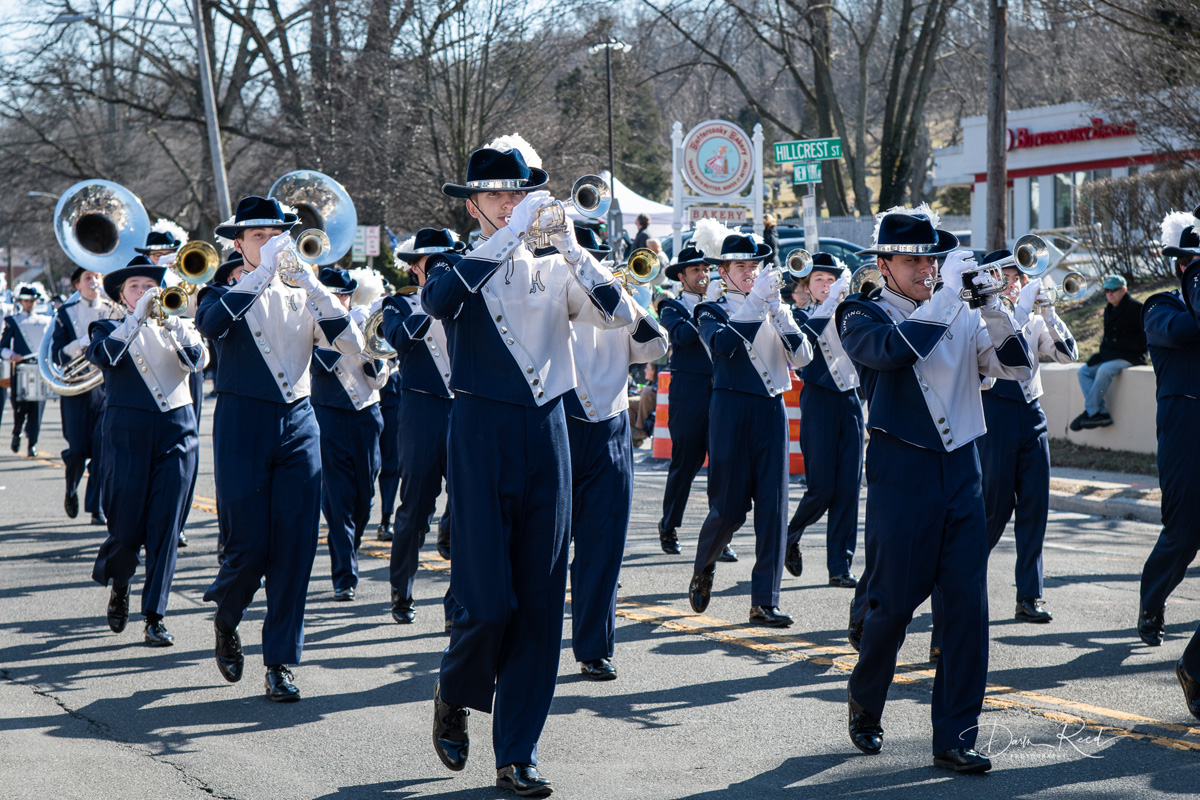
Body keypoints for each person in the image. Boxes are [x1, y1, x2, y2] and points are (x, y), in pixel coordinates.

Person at [422, 137, 631, 797]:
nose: (512, 204)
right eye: (497, 195)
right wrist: (508, 234)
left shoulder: (553, 266)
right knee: (488, 603)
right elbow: (437, 303)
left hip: (548, 434)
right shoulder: (459, 263)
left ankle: (517, 751)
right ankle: (455, 690)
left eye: (518, 194)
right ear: (474, 205)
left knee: (540, 604)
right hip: (480, 432)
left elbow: (619, 315)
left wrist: (572, 248)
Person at [836, 206, 1032, 774]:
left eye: (932, 258)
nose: (925, 268)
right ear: (884, 264)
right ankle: (866, 699)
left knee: (967, 608)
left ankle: (955, 734)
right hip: (903, 474)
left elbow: (1016, 368)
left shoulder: (960, 308)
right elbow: (896, 352)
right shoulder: (859, 313)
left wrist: (993, 307)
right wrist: (949, 297)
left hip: (963, 469)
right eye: (913, 259)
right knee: (892, 607)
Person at [196, 196, 364, 703]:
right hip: (242, 420)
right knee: (248, 545)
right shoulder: (219, 289)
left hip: (299, 420)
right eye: (258, 237)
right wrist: (262, 273)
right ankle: (227, 616)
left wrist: (314, 285)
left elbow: (352, 345)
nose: (270, 245)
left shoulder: (300, 289)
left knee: (294, 546)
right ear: (238, 243)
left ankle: (280, 662)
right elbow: (210, 327)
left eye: (277, 236)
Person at [687, 222, 812, 628]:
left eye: (754, 265)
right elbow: (722, 348)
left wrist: (780, 314)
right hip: (730, 409)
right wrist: (757, 304)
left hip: (771, 410)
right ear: (722, 273)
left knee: (774, 508)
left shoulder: (772, 305)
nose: (749, 272)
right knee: (729, 508)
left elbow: (805, 359)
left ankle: (764, 600)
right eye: (740, 267)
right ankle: (704, 565)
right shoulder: (710, 310)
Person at [566, 226, 667, 680]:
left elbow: (656, 346)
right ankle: (533, 641)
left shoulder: (620, 302)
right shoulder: (551, 295)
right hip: (558, 425)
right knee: (542, 549)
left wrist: (631, 298)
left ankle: (593, 647)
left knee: (603, 547)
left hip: (609, 429)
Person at [87, 256, 202, 647]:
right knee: (125, 527)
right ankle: (120, 583)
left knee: (165, 527)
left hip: (177, 430)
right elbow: (107, 357)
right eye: (135, 287)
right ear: (122, 295)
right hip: (128, 433)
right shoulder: (106, 326)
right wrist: (136, 319)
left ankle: (155, 614)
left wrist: (173, 324)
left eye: (149, 286)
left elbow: (199, 361)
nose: (144, 293)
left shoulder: (179, 325)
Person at [977, 251, 1077, 623]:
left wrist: (1049, 312)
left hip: (1032, 415)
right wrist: (1020, 311)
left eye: (1019, 276)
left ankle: (1029, 596)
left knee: (1035, 508)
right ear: (990, 279)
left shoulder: (1032, 318)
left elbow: (1069, 355)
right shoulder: (980, 317)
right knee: (992, 511)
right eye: (1007, 276)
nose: (1016, 282)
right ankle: (962, 586)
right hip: (995, 414)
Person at [380, 228, 461, 626]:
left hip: (464, 408)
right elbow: (397, 337)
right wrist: (434, 301)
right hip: (421, 410)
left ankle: (457, 599)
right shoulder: (398, 304)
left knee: (469, 506)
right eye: (433, 262)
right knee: (414, 507)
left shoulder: (467, 296)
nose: (443, 267)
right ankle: (402, 588)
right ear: (415, 267)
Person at [1137, 212, 1200, 650]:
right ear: (1184, 266)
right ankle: (1152, 601)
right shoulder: (1160, 306)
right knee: (1182, 532)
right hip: (1184, 431)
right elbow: (1185, 331)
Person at [785, 253, 863, 587]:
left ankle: (839, 567)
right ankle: (788, 536)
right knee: (821, 488)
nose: (826, 285)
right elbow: (805, 342)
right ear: (806, 286)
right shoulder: (798, 315)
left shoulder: (850, 314)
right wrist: (831, 302)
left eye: (832, 280)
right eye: (819, 280)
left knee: (848, 488)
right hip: (818, 401)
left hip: (851, 401)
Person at [310, 267, 387, 602]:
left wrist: (368, 346)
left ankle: (350, 550)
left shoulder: (361, 325)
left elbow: (378, 379)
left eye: (343, 295)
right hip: (328, 416)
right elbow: (323, 362)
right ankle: (344, 575)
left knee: (364, 498)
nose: (339, 300)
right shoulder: (311, 327)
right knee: (337, 501)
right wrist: (350, 331)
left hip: (367, 416)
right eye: (333, 294)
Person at [656, 245, 725, 557]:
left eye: (706, 269)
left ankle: (721, 533)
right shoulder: (671, 307)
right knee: (686, 462)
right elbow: (682, 336)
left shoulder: (721, 304)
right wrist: (707, 307)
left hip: (722, 390)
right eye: (696, 270)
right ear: (682, 277)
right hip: (689, 393)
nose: (704, 275)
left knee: (723, 465)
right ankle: (669, 524)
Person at [50, 267, 123, 524]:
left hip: (105, 388)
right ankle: (71, 487)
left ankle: (96, 508)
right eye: (88, 278)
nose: (94, 281)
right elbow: (57, 354)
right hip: (76, 390)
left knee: (103, 451)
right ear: (77, 285)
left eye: (97, 277)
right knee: (79, 449)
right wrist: (81, 342)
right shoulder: (65, 313)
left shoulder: (114, 310)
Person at [1070, 274, 1145, 430]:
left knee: (1104, 370)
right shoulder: (1108, 309)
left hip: (1131, 356)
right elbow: (1107, 338)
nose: (1109, 294)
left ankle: (1091, 412)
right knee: (1083, 372)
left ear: (1123, 290)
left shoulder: (1136, 308)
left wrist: (1118, 346)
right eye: (1106, 291)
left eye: (1114, 290)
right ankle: (1099, 413)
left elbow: (1144, 340)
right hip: (1112, 355)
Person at [1, 284, 52, 457]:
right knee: (19, 408)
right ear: (20, 301)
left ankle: (32, 444)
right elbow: (2, 348)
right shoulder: (13, 321)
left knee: (37, 408)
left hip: (39, 369)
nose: (30, 304)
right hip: (21, 370)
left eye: (32, 301)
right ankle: (17, 433)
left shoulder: (46, 321)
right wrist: (12, 355)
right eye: (26, 301)